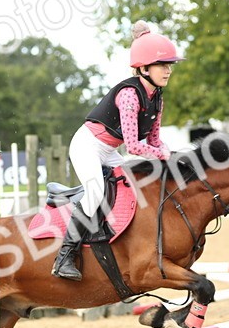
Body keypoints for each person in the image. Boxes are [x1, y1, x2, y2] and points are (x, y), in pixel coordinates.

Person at [51, 21, 183, 280]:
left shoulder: (157, 97)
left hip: (109, 149)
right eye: (163, 65)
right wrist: (163, 155)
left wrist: (173, 155)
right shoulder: (130, 95)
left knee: (132, 183)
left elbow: (155, 141)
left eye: (170, 66)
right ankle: (64, 257)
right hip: (88, 145)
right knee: (96, 192)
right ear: (144, 68)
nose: (168, 71)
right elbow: (134, 146)